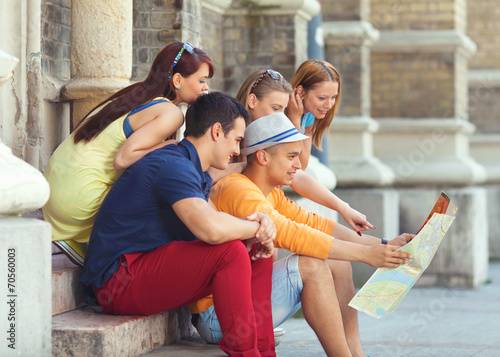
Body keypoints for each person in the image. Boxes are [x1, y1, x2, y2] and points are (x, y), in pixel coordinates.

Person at [190, 113, 415, 356]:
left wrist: (383, 244)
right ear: (263, 157)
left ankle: (355, 354)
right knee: (310, 265)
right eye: (291, 156)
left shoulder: (270, 192)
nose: (298, 165)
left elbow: (314, 224)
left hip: (245, 301)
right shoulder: (238, 188)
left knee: (338, 264)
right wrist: (366, 255)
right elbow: (291, 233)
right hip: (217, 317)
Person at [80, 92, 277, 357]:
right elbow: (211, 229)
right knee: (232, 252)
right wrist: (257, 227)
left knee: (258, 251)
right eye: (237, 140)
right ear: (217, 131)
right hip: (117, 283)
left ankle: (264, 352)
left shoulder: (193, 168)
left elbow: (216, 222)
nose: (237, 150)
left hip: (147, 267)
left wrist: (257, 233)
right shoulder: (172, 165)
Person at [43, 42, 213, 266]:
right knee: (162, 194)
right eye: (201, 80)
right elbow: (123, 159)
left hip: (54, 189)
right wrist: (170, 147)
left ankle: (84, 241)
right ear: (178, 80)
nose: (206, 88)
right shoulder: (171, 113)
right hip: (78, 198)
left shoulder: (136, 95)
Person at [234, 69, 374, 236]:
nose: (281, 117)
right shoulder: (231, 135)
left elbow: (298, 174)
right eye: (275, 108)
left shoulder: (271, 140)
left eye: (283, 110)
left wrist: (345, 208)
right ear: (252, 101)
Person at [286, 58, 341, 169]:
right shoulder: (280, 111)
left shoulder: (310, 115)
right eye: (322, 98)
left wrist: (297, 120)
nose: (329, 105)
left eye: (333, 97)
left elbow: (302, 165)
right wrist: (294, 119)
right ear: (301, 91)